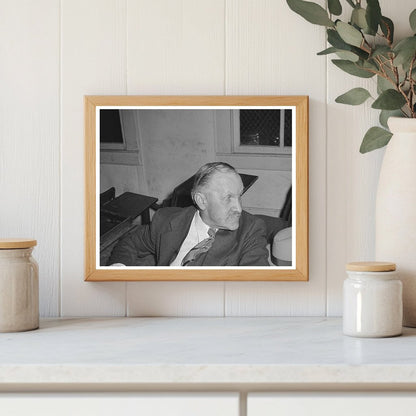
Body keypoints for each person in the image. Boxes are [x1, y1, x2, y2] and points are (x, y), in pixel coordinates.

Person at [108, 162, 269, 266]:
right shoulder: (166, 220)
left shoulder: (251, 230)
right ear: (201, 201)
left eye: (239, 195)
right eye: (228, 198)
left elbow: (256, 285)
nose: (239, 208)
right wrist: (117, 271)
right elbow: (129, 242)